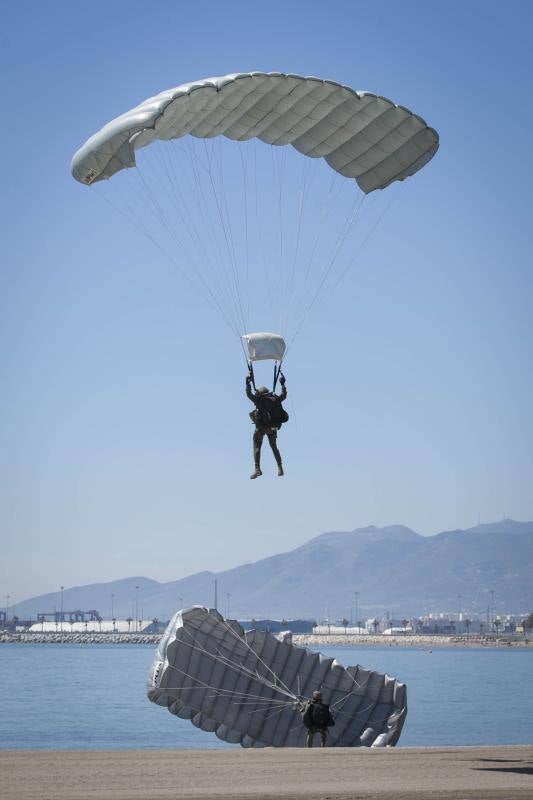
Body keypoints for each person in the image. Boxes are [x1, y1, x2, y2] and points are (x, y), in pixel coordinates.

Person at [245, 373, 288, 479]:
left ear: (260, 393)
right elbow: (284, 395)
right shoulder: (276, 399)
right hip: (273, 427)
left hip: (261, 428)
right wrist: (282, 384)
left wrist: (247, 383)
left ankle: (257, 469)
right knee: (274, 447)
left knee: (257, 446)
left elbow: (249, 394)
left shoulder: (259, 400)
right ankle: (280, 467)